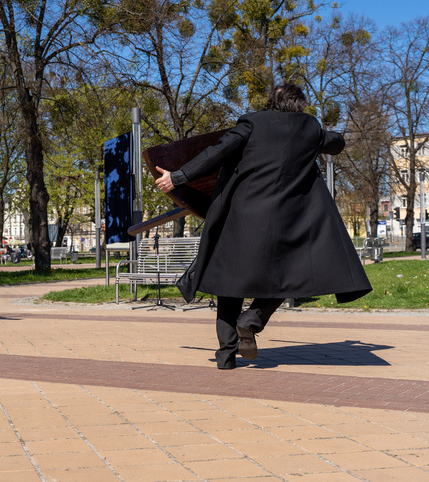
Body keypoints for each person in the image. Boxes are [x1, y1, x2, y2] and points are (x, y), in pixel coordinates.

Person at [155, 83, 371, 369]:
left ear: (273, 101)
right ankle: (253, 319)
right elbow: (337, 143)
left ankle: (226, 357)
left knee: (229, 284)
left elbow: (216, 153)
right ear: (300, 105)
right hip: (289, 220)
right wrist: (333, 136)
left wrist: (179, 177)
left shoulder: (252, 123)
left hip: (244, 218)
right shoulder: (310, 128)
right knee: (289, 274)